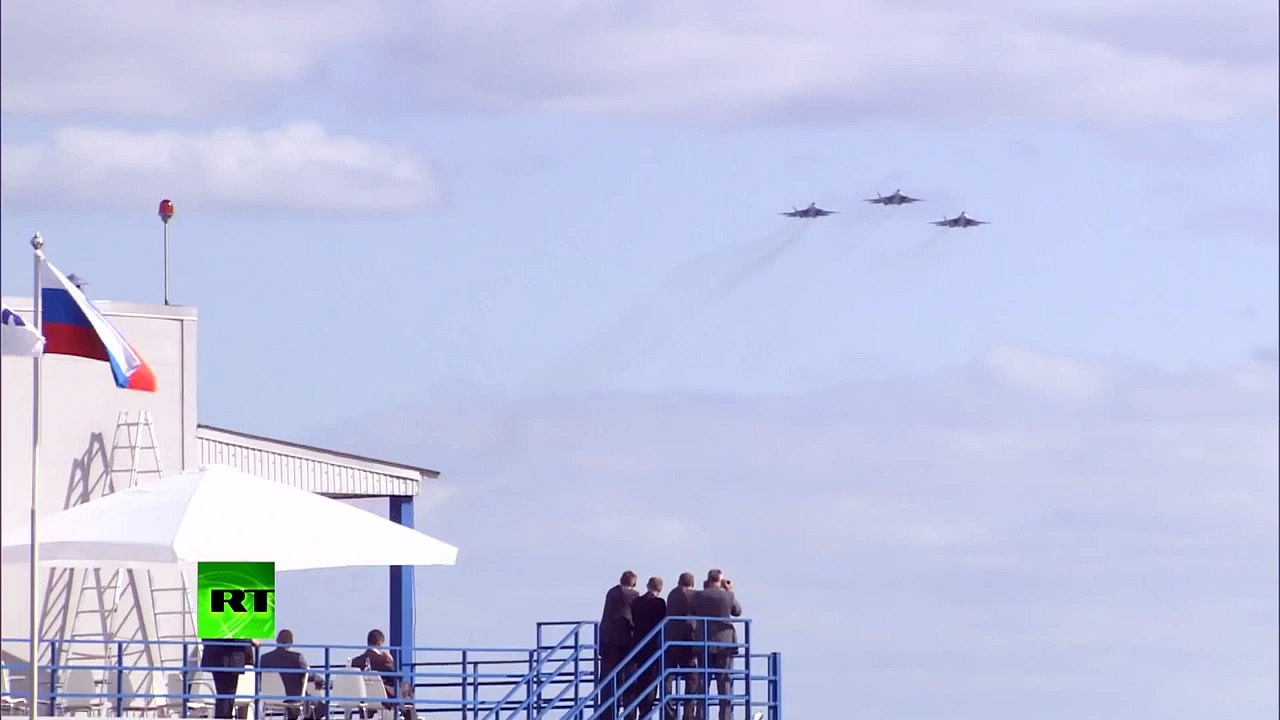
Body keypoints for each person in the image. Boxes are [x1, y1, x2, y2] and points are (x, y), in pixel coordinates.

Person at [691, 571, 741, 720]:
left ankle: (700, 716)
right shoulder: (728, 596)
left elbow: (693, 612)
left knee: (703, 682)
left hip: (704, 642)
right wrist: (729, 590)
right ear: (720, 579)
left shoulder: (698, 596)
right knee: (724, 683)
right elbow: (737, 611)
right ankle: (725, 717)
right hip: (724, 643)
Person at [350, 629, 418, 720]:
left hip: (364, 696)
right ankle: (410, 717)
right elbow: (397, 677)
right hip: (383, 697)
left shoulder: (356, 661)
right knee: (406, 687)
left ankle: (365, 715)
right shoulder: (383, 660)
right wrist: (391, 661)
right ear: (379, 643)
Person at [598, 570, 640, 718]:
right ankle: (629, 713)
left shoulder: (611, 593)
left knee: (608, 679)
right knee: (629, 679)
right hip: (625, 641)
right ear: (633, 583)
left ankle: (606, 713)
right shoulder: (632, 596)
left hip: (607, 640)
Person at [260, 629, 326, 719]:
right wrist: (319, 680)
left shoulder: (264, 659)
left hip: (269, 699)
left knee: (300, 701)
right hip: (293, 698)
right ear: (291, 642)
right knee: (321, 707)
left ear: (277, 640)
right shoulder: (296, 658)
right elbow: (307, 674)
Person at [628, 576, 667, 719]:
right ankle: (645, 712)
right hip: (653, 646)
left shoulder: (636, 602)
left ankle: (633, 711)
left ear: (647, 585)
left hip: (637, 644)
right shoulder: (660, 604)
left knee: (637, 680)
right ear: (660, 589)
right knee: (650, 681)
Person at [663, 572, 700, 720]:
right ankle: (688, 714)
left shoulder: (672, 594)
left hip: (671, 639)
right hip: (689, 641)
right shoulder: (695, 596)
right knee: (692, 678)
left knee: (668, 677)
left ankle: (669, 714)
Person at [199, 636, 259, 719]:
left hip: (217, 656)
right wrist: (250, 639)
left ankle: (223, 717)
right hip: (228, 658)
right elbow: (230, 632)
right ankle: (224, 717)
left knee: (224, 694)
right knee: (227, 694)